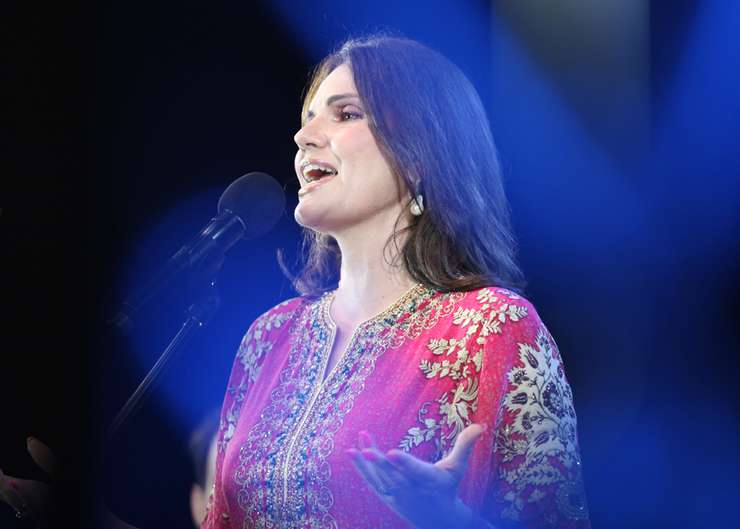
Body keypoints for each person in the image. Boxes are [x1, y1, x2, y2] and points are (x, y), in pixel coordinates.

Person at [201, 35, 590, 529]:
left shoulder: (493, 329)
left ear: (419, 154)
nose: (304, 137)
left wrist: (448, 519)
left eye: (345, 114)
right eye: (308, 118)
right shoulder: (269, 337)